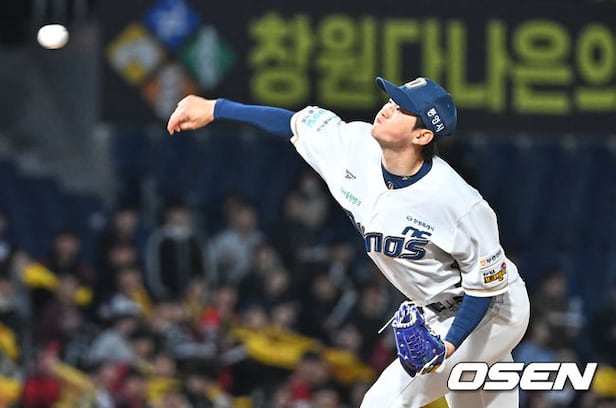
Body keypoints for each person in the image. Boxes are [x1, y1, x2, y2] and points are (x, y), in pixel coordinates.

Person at [166, 76, 531, 407]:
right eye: (392, 99)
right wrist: (216, 108)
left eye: (402, 109)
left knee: (383, 403)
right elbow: (290, 123)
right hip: (436, 311)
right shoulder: (352, 144)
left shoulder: (459, 203)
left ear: (422, 136)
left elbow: (485, 290)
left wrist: (446, 346)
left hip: (492, 311)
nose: (388, 108)